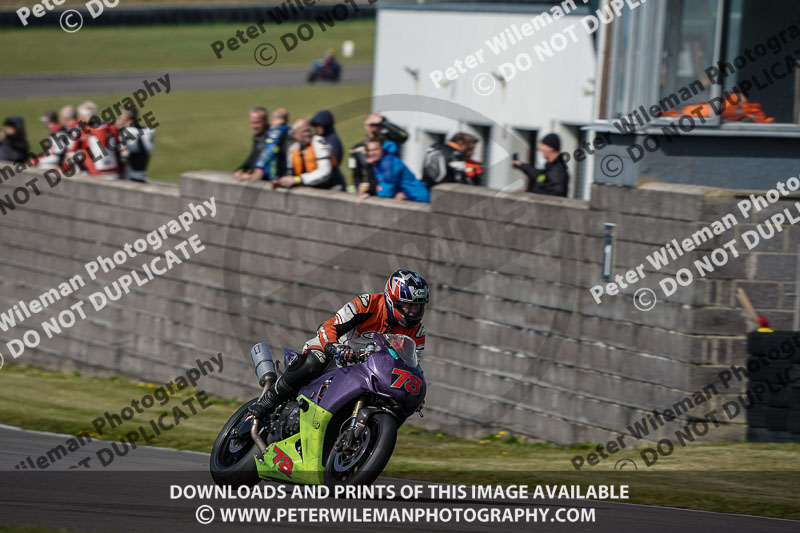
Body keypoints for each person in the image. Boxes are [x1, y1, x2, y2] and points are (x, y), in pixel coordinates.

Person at [248, 269, 429, 422]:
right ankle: (268, 401)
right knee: (313, 362)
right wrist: (333, 346)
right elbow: (331, 325)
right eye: (408, 306)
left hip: (370, 369)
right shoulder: (367, 303)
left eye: (418, 307)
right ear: (392, 299)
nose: (413, 312)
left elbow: (408, 364)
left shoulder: (417, 333)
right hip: (338, 351)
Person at [273, 118, 343, 190]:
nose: (308, 134)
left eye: (309, 130)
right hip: (309, 190)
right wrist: (281, 181)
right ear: (295, 134)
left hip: (331, 189)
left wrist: (298, 179)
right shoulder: (293, 149)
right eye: (304, 131)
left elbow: (324, 172)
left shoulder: (319, 143)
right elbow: (290, 174)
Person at [350, 113, 409, 195]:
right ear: (365, 126)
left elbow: (404, 135)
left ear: (381, 127)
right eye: (370, 125)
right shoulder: (358, 148)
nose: (372, 128)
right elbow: (356, 174)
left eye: (376, 125)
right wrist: (359, 187)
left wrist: (383, 122)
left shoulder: (389, 143)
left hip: (393, 188)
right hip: (372, 190)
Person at [359, 139, 430, 203]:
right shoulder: (377, 162)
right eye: (369, 150)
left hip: (418, 197)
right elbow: (375, 182)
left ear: (382, 149)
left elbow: (387, 191)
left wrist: (374, 191)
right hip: (406, 195)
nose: (372, 153)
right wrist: (370, 191)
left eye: (375, 149)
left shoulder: (389, 162)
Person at [67, 101, 120, 179]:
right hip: (115, 172)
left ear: (81, 116)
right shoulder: (110, 127)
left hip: (96, 174)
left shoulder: (80, 130)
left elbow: (70, 154)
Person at [240, 107, 291, 182]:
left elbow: (270, 149)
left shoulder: (276, 129)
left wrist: (259, 168)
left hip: (274, 177)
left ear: (272, 119)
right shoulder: (291, 130)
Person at [512, 133, 569, 197]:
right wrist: (521, 165)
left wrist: (530, 194)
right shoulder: (550, 168)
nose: (539, 148)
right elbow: (539, 176)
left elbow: (556, 193)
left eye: (543, 145)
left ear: (550, 148)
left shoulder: (557, 170)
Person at [116, 107, 155, 182]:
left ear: (125, 117)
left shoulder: (125, 132)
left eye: (121, 115)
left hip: (130, 177)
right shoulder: (148, 131)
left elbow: (123, 157)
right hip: (142, 174)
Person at [310, 110, 344, 187]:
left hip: (332, 183)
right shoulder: (320, 138)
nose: (317, 128)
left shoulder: (332, 140)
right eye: (316, 126)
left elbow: (333, 162)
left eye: (320, 126)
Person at [233, 107, 269, 179]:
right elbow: (253, 156)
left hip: (264, 179)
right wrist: (241, 169)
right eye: (252, 122)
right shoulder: (257, 136)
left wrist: (253, 176)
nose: (253, 126)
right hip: (255, 176)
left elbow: (270, 162)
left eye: (257, 122)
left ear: (265, 121)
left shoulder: (273, 137)